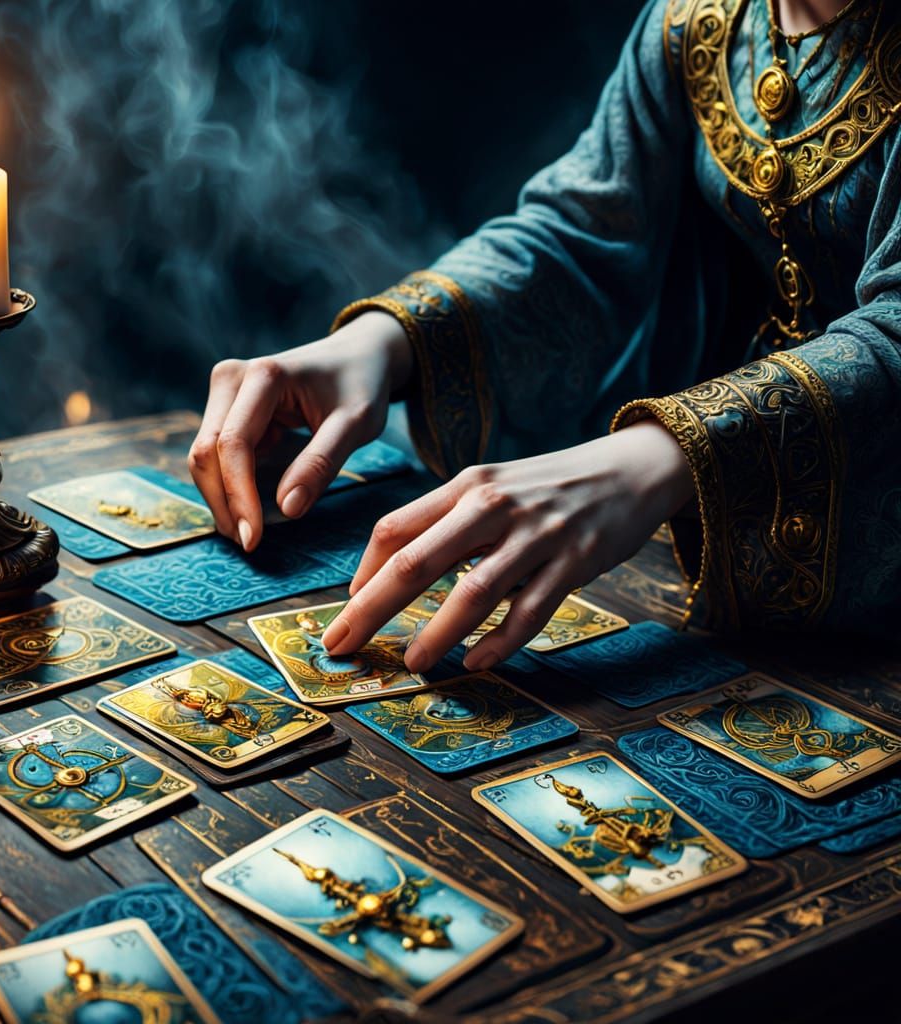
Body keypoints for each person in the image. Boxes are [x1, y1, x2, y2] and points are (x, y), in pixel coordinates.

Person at [188, 0, 901, 675]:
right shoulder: (706, 16)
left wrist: (665, 453)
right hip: (720, 553)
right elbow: (585, 231)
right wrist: (387, 339)